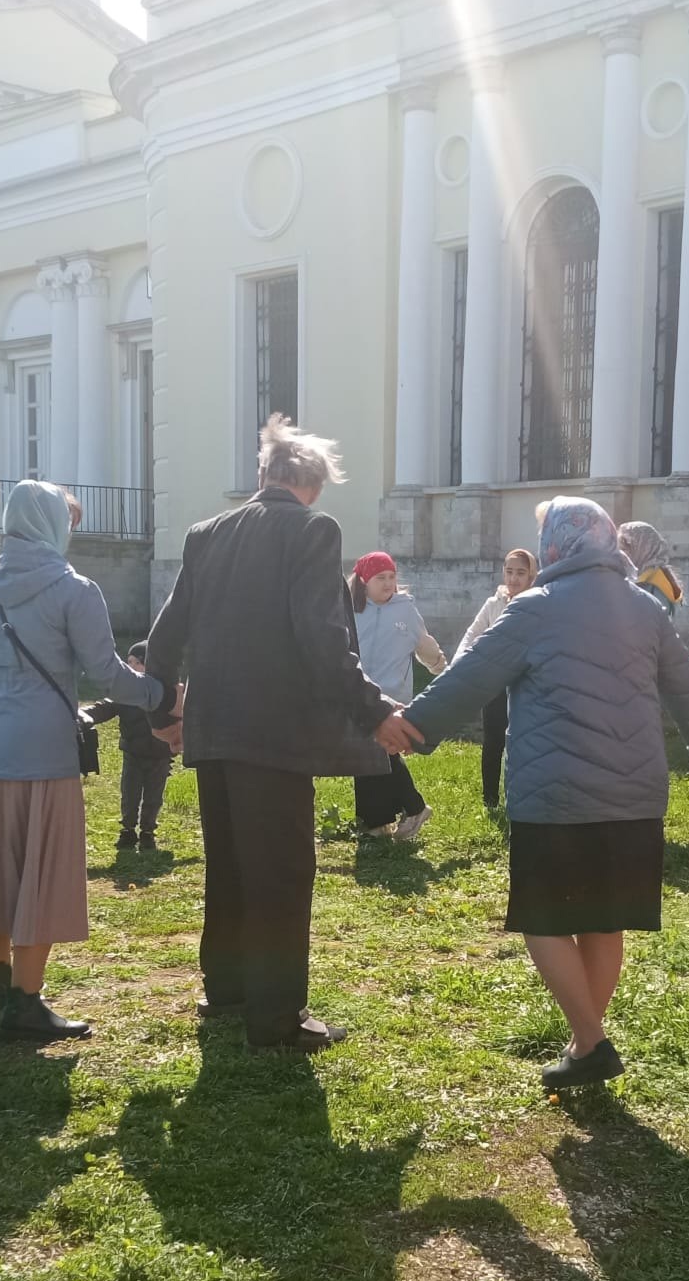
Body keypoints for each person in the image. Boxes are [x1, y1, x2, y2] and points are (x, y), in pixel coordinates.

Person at [400, 497, 689, 1091]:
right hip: (633, 800)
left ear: (557, 543)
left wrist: (414, 728)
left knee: (545, 921)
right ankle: (585, 1045)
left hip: (554, 799)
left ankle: (592, 1041)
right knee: (604, 924)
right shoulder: (646, 608)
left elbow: (471, 675)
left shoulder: (535, 607)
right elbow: (688, 692)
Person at [144, 414, 416, 1054]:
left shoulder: (206, 532)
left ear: (264, 474)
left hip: (215, 730)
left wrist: (162, 712)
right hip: (276, 734)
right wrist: (375, 710)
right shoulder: (314, 529)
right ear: (315, 486)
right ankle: (276, 1019)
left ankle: (229, 988)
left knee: (232, 867)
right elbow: (322, 641)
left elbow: (165, 634)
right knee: (283, 875)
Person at [0, 481, 169, 1043]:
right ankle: (27, 1002)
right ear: (54, 523)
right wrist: (162, 696)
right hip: (45, 754)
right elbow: (108, 674)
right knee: (40, 873)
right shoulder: (74, 589)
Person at [349, 552, 446, 839]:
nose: (389, 583)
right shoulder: (353, 611)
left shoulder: (405, 610)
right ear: (364, 581)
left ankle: (414, 808)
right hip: (362, 692)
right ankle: (376, 822)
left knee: (384, 753)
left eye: (392, 577)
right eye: (381, 578)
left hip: (393, 695)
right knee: (365, 757)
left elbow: (424, 643)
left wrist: (441, 667)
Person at [455, 548, 538, 809]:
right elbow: (471, 635)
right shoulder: (494, 605)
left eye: (521, 573)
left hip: (527, 686)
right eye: (509, 571)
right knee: (493, 741)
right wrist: (459, 666)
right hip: (495, 685)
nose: (513, 578)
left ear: (531, 576)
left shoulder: (537, 605)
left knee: (523, 742)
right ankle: (490, 800)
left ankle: (520, 798)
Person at [85, 640, 180, 852]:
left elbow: (183, 713)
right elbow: (105, 707)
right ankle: (128, 831)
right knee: (130, 794)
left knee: (153, 797)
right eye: (128, 662)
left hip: (159, 756)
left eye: (135, 662)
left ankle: (147, 833)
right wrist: (84, 714)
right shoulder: (125, 694)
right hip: (133, 754)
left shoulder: (164, 694)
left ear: (148, 664)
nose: (130, 667)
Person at [616, 521, 683, 618]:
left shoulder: (654, 588)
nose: (622, 554)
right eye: (620, 548)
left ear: (643, 549)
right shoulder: (653, 579)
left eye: (626, 548)